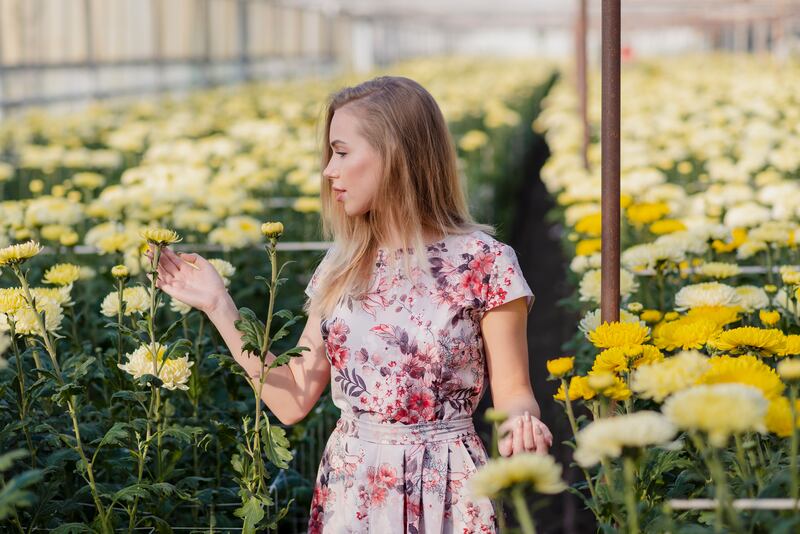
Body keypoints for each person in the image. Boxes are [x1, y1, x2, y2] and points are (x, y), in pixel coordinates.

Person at [147, 75, 553, 533]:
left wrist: (522, 423)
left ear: (396, 154)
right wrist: (219, 305)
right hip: (353, 486)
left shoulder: (485, 262)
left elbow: (516, 392)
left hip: (448, 487)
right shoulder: (341, 264)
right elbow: (293, 398)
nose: (328, 171)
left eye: (341, 152)